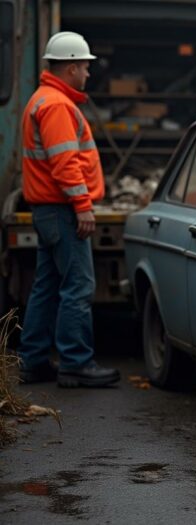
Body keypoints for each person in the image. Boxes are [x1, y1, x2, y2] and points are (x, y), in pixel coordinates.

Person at [17, 32, 120, 387]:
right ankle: (76, 362)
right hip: (62, 210)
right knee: (78, 286)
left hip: (48, 211)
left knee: (46, 286)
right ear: (72, 66)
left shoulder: (40, 100)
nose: (88, 74)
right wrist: (83, 207)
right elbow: (64, 164)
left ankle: (33, 361)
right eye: (86, 67)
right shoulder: (58, 105)